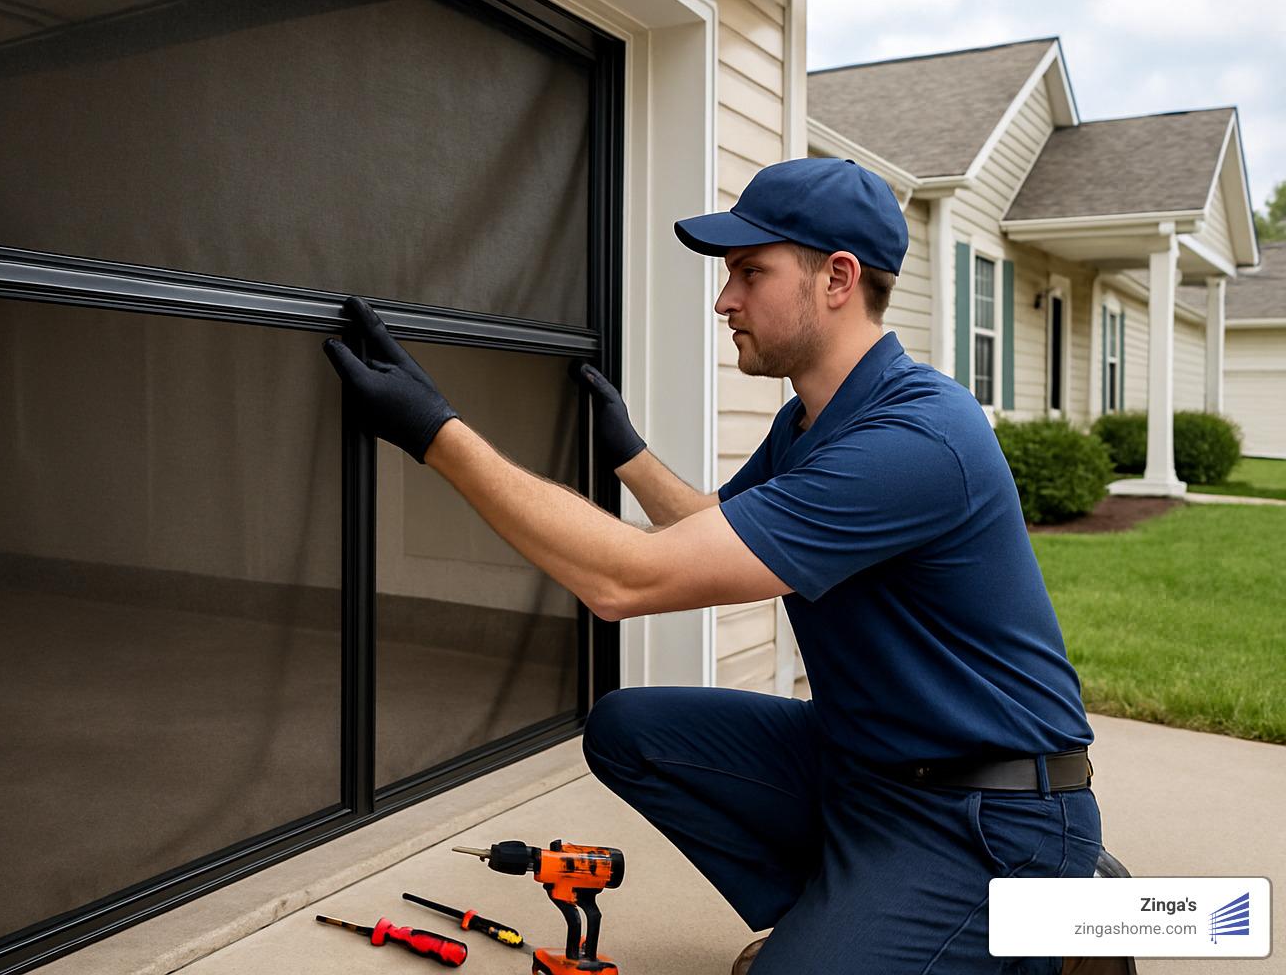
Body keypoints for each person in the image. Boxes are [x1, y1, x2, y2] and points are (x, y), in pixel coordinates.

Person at [322, 156, 1102, 975]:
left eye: (749, 272)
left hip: (988, 813)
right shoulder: (813, 421)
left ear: (836, 278)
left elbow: (624, 583)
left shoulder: (915, 440)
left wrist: (433, 433)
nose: (725, 299)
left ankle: (1038, 929)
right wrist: (625, 453)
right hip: (866, 766)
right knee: (630, 732)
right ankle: (851, 915)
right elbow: (713, 529)